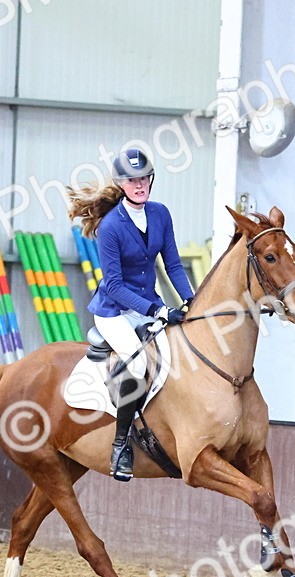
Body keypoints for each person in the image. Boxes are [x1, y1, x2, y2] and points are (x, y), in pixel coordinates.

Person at [67, 147, 195, 481]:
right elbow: (115, 285)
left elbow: (174, 265)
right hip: (114, 311)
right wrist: (159, 309)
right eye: (132, 180)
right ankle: (120, 446)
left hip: (147, 304)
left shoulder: (160, 214)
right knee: (138, 364)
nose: (139, 185)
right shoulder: (111, 227)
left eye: (144, 179)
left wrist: (191, 300)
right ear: (121, 184)